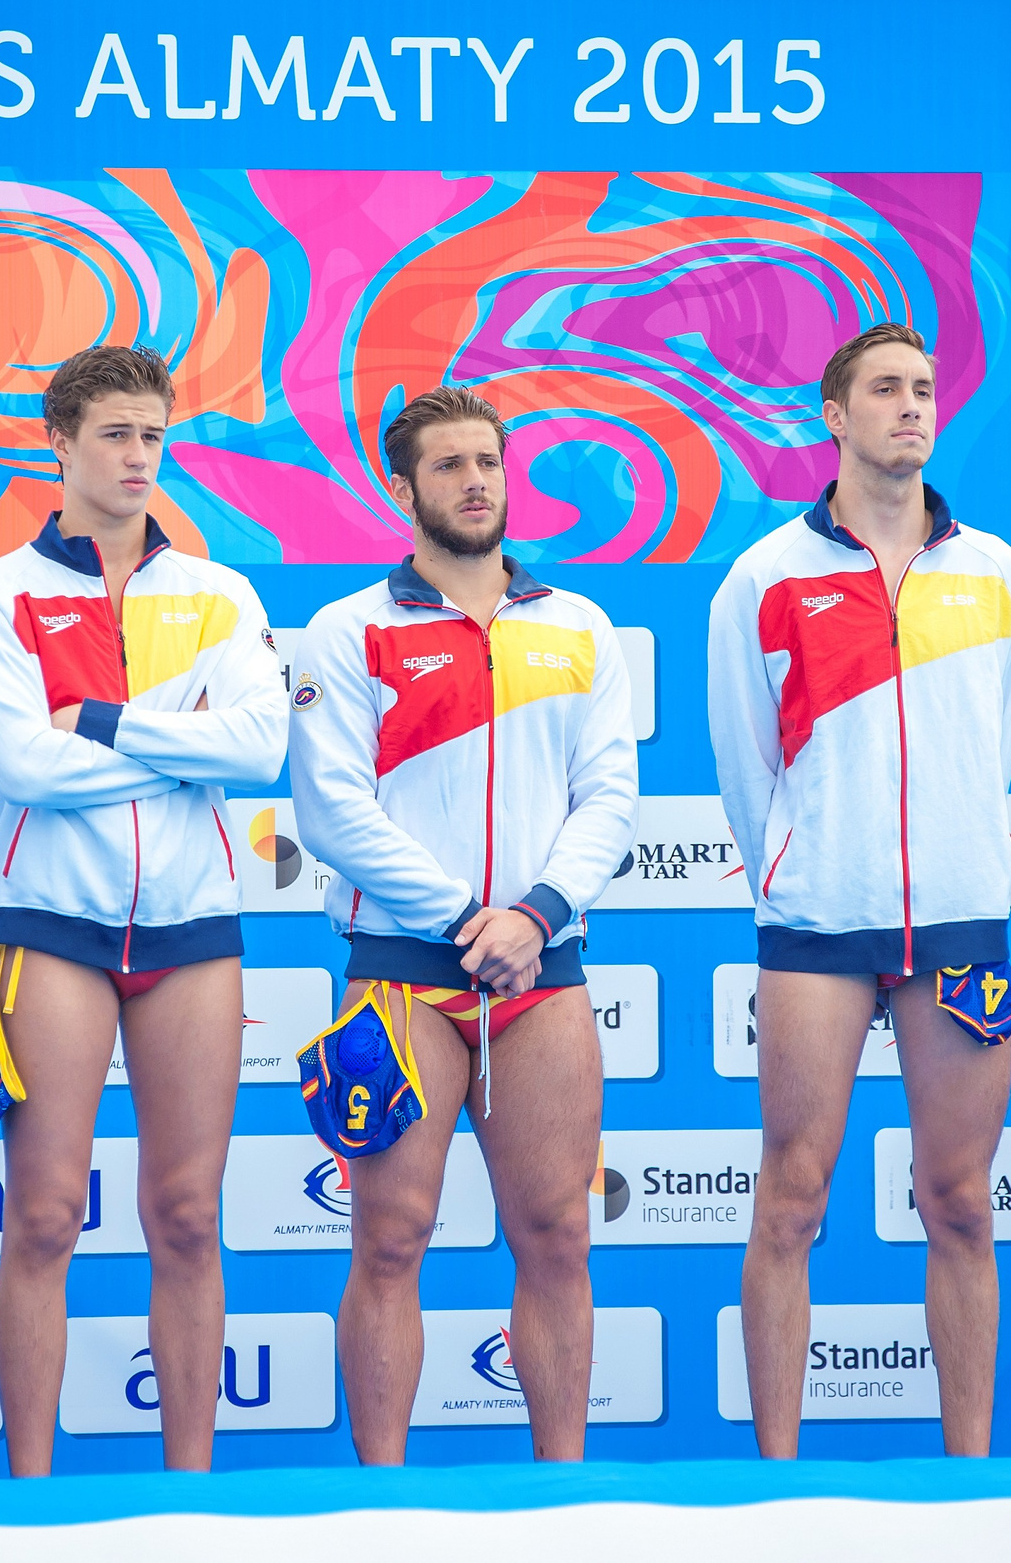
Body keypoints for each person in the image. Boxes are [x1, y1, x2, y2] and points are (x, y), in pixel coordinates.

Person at [0, 344, 285, 1475]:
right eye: (114, 436)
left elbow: (260, 746)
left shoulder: (221, 592)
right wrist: (177, 749)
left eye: (152, 435)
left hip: (191, 933)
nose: (138, 457)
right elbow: (25, 770)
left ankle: (193, 1499)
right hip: (54, 926)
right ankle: (32, 1501)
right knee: (43, 1218)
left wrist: (99, 723)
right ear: (59, 445)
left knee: (188, 1218)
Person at [290, 386, 636, 1464]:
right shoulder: (348, 630)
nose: (475, 481)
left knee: (559, 1237)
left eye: (486, 461)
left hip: (544, 971)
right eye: (447, 466)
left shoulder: (579, 626)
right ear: (402, 487)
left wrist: (533, 916)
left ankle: (564, 1495)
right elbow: (331, 810)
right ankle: (379, 1505)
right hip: (402, 976)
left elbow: (610, 799)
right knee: (390, 1241)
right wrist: (461, 919)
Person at [710, 322, 1011, 1459]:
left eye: (924, 389)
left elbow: (995, 746)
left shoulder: (993, 570)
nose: (910, 407)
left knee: (960, 1202)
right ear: (833, 415)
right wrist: (807, 870)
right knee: (791, 1199)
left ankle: (969, 1469)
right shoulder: (764, 576)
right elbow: (748, 769)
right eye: (885, 390)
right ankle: (775, 1476)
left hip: (958, 920)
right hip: (817, 928)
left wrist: (949, 855)